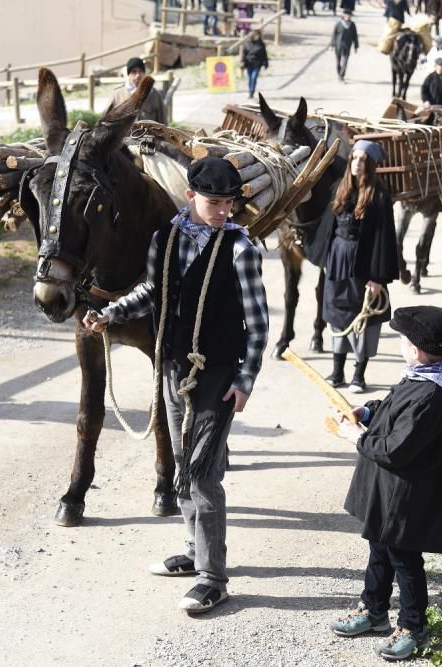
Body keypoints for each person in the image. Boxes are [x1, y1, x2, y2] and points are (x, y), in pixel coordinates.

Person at [82, 158, 269, 613]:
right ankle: (194, 550)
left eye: (229, 203)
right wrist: (111, 314)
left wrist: (245, 380)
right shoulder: (164, 239)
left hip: (218, 376)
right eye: (214, 202)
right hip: (171, 369)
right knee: (184, 468)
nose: (223, 210)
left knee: (204, 475)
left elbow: (259, 323)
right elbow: (152, 290)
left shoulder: (241, 249)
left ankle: (213, 578)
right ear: (191, 197)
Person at [329, 306, 442, 662]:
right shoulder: (421, 376)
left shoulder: (432, 397)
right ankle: (373, 610)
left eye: (402, 340)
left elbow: (396, 449)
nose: (400, 345)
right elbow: (390, 406)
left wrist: (354, 436)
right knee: (379, 550)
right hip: (390, 492)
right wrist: (366, 412)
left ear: (416, 349)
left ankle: (413, 626)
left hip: (406, 496)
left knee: (404, 559)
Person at [322, 141, 401, 394]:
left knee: (362, 319)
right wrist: (324, 257)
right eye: (354, 158)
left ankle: (359, 374)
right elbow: (327, 228)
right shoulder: (338, 188)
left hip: (363, 266)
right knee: (337, 315)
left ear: (371, 165)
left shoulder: (379, 196)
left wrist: (377, 277)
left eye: (363, 160)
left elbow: (384, 238)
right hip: (337, 261)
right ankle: (337, 371)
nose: (356, 163)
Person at [105, 57, 167, 123]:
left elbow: (163, 124)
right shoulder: (117, 94)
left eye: (140, 71)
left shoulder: (155, 95)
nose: (138, 75)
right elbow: (105, 121)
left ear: (144, 73)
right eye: (134, 72)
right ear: (128, 74)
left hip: (147, 133)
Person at [331, 9, 360, 82]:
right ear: (343, 16)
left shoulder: (352, 25)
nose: (349, 17)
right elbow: (334, 35)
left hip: (347, 46)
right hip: (338, 46)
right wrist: (332, 45)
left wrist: (356, 46)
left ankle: (341, 76)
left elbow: (355, 36)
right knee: (338, 62)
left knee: (345, 62)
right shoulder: (338, 24)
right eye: (348, 16)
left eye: (350, 16)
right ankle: (339, 72)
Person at [240, 30, 269, 98]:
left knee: (254, 78)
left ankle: (251, 92)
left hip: (257, 64)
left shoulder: (261, 44)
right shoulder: (247, 43)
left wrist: (266, 63)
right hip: (249, 63)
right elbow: (244, 54)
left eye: (258, 35)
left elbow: (264, 54)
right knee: (250, 78)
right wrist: (242, 62)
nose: (257, 37)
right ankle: (250, 90)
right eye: (256, 35)